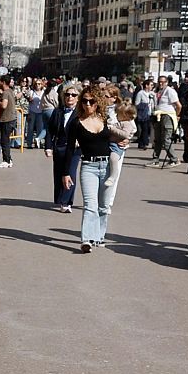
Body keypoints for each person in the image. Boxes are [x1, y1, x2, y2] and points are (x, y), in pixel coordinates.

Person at [65, 88, 122, 252]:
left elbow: (119, 135)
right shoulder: (76, 123)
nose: (87, 105)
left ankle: (99, 236)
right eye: (84, 101)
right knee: (90, 205)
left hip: (107, 166)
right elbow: (70, 148)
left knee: (103, 206)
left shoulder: (105, 119)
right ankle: (87, 239)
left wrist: (122, 142)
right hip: (88, 167)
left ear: (98, 103)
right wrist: (67, 173)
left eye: (91, 101)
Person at [46, 85, 80, 212]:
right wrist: (48, 147)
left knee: (70, 173)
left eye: (73, 95)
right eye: (67, 94)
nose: (70, 97)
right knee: (59, 173)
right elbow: (50, 130)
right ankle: (60, 199)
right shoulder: (58, 111)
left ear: (78, 98)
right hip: (59, 146)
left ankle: (67, 202)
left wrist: (81, 140)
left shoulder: (81, 113)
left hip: (75, 148)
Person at [104, 100, 138, 189]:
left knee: (113, 158)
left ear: (124, 115)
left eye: (118, 114)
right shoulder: (119, 122)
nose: (116, 115)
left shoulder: (127, 124)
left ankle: (113, 176)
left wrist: (112, 129)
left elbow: (125, 134)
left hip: (117, 145)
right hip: (111, 143)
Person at [151, 77, 181, 165]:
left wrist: (176, 115)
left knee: (166, 139)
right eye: (159, 82)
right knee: (158, 139)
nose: (161, 84)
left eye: (163, 82)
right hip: (158, 115)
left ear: (167, 82)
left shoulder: (170, 91)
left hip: (167, 115)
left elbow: (179, 105)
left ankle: (174, 159)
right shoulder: (158, 91)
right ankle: (155, 159)